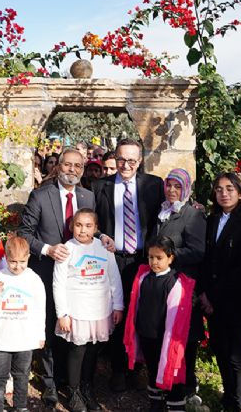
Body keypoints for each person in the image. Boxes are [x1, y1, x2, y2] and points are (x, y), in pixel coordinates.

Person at [17, 149, 114, 407]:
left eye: (78, 166)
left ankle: (74, 383)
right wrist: (47, 249)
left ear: (83, 169)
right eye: (67, 165)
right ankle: (50, 383)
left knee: (76, 329)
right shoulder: (40, 195)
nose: (72, 170)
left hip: (80, 280)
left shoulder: (88, 196)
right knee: (52, 326)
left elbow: (91, 226)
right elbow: (24, 233)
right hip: (49, 271)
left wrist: (102, 237)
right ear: (58, 167)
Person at [92, 138, 165, 391]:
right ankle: (119, 369)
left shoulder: (154, 185)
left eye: (131, 160)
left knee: (143, 314)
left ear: (140, 161)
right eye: (121, 159)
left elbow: (168, 210)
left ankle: (139, 368)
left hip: (144, 261)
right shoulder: (100, 186)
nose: (125, 165)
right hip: (112, 260)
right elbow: (93, 221)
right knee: (116, 314)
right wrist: (101, 236)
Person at [199, 172, 241, 412]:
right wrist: (204, 293)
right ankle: (228, 397)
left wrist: (214, 296)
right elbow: (207, 260)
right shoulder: (212, 220)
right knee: (220, 349)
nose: (224, 194)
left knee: (236, 355)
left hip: (234, 300)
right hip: (212, 300)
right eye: (219, 189)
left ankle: (240, 403)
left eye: (229, 189)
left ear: (240, 192)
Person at [53, 208, 123, 412]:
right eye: (78, 225)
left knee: (93, 351)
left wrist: (118, 305)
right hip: (77, 311)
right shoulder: (66, 249)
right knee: (77, 350)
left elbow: (114, 278)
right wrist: (62, 313)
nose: (83, 230)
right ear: (71, 226)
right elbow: (58, 283)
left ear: (96, 228)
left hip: (100, 310)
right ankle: (74, 392)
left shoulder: (103, 248)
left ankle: (87, 388)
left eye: (88, 226)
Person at [124, 236, 196, 412]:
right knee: (153, 369)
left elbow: (175, 318)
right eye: (150, 257)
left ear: (170, 258)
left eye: (159, 258)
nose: (154, 262)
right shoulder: (144, 277)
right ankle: (156, 402)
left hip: (165, 338)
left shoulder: (175, 282)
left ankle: (175, 405)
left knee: (171, 370)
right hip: (146, 335)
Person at [155, 168, 206, 403]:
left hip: (183, 286)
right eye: (169, 185)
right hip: (164, 284)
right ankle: (169, 383)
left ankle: (186, 387)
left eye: (177, 186)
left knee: (185, 338)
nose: (172, 190)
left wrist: (169, 255)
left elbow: (197, 251)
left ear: (186, 188)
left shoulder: (192, 215)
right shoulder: (162, 210)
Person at [0, 236, 45, 412]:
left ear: (28, 258)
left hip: (24, 338)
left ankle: (20, 407)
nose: (17, 266)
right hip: (2, 338)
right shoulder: (0, 276)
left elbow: (40, 309)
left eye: (22, 261)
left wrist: (40, 334)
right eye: (13, 262)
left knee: (22, 375)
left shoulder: (33, 279)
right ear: (6, 258)